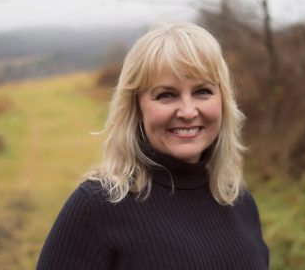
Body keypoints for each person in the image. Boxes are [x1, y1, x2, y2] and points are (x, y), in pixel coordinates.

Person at [36, 22, 269, 269]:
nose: (188, 112)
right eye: (166, 95)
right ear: (136, 108)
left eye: (202, 91)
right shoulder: (96, 207)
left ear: (223, 100)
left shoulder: (240, 202)